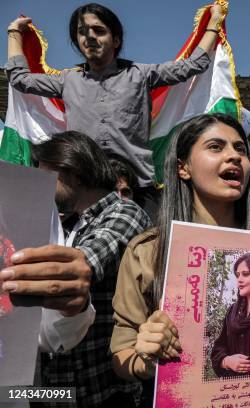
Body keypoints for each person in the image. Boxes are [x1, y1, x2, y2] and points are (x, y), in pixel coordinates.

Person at [110, 114, 250, 393]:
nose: (234, 156)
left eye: (240, 149)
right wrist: (147, 357)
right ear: (183, 168)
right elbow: (122, 355)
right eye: (216, 147)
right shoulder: (148, 250)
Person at [6, 3, 226, 216]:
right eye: (82, 32)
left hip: (138, 192)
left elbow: (195, 65)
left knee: (146, 252)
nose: (89, 37)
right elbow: (19, 78)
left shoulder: (141, 74)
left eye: (98, 30)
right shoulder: (67, 80)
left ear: (116, 40)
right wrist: (14, 32)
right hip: (86, 191)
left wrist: (213, 24)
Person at [9, 131, 150, 407]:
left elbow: (84, 262)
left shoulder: (125, 213)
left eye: (45, 178)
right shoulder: (66, 225)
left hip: (103, 393)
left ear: (72, 172)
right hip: (55, 393)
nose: (42, 192)